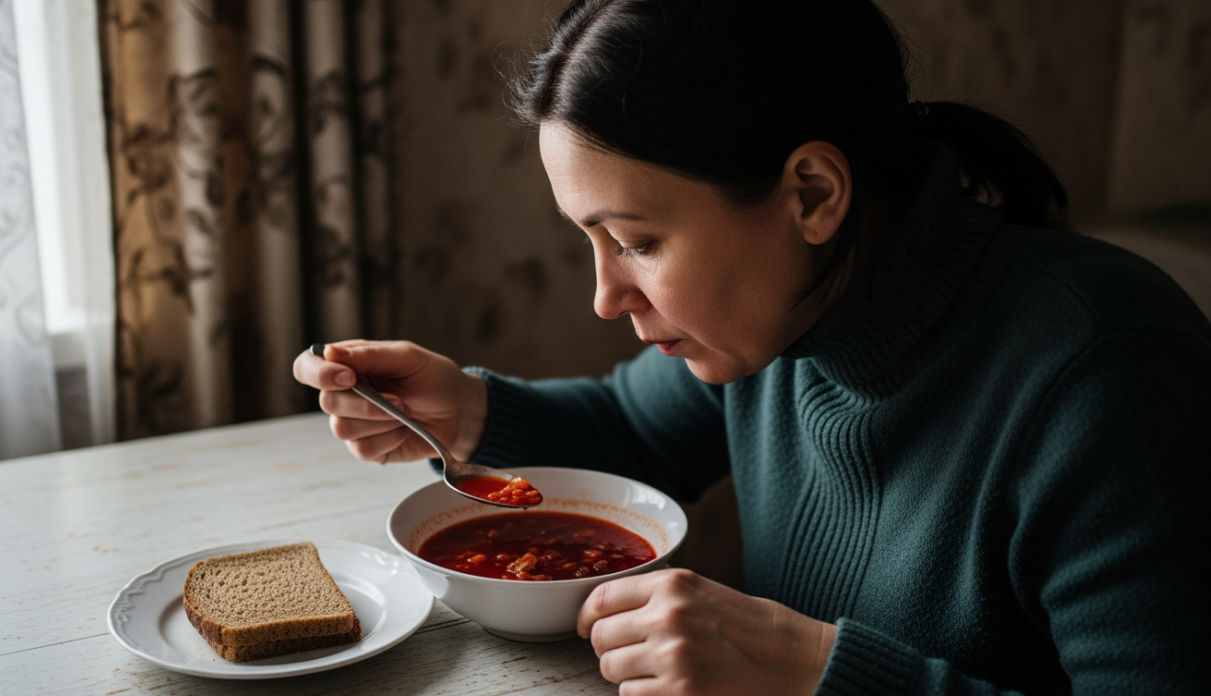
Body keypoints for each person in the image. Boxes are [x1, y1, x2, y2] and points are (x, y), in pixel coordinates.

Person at [293, 1, 1211, 694]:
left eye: (637, 242)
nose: (606, 298)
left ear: (813, 194)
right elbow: (631, 432)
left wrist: (817, 670)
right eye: (591, 240)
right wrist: (469, 408)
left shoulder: (1110, 374)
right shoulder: (782, 317)